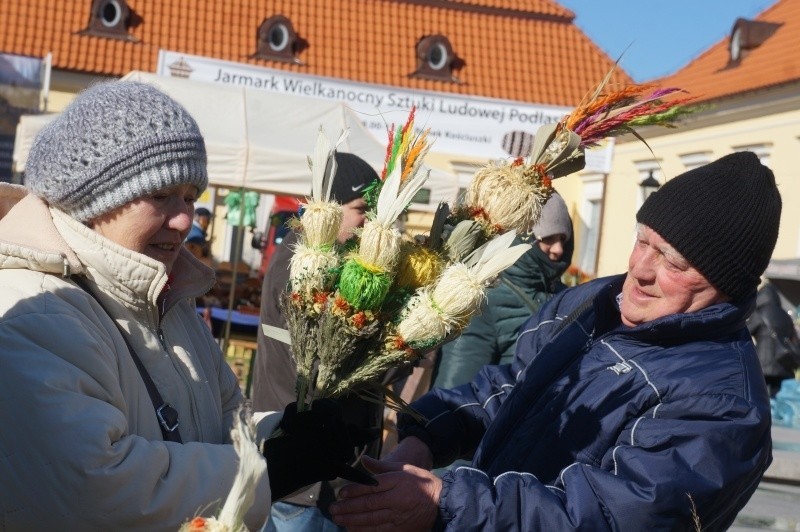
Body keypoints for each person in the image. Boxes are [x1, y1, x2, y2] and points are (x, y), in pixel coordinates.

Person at [329, 151, 781, 531]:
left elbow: (609, 519)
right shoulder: (594, 302)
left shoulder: (723, 404)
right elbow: (513, 385)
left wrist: (446, 501)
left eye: (672, 261)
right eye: (642, 241)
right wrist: (427, 435)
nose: (641, 268)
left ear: (723, 282)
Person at [0, 81, 365, 531]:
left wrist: (283, 432)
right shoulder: (33, 308)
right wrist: (270, 469)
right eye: (161, 196)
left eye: (191, 198)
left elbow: (222, 425)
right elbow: (91, 489)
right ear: (93, 198)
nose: (185, 219)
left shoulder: (168, 305)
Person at [251, 151, 380, 531]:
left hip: (329, 475)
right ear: (326, 208)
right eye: (361, 210)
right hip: (301, 484)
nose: (371, 223)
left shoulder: (339, 261)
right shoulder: (303, 265)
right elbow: (328, 368)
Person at [433, 191, 574, 389]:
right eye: (548, 238)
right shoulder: (483, 297)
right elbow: (457, 388)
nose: (558, 248)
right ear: (523, 238)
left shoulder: (567, 296)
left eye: (562, 238)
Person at [747, 281, 800, 396]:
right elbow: (793, 338)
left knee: (758, 396)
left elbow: (748, 330)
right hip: (782, 363)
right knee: (776, 397)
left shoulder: (760, 312)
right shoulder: (785, 315)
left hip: (762, 363)